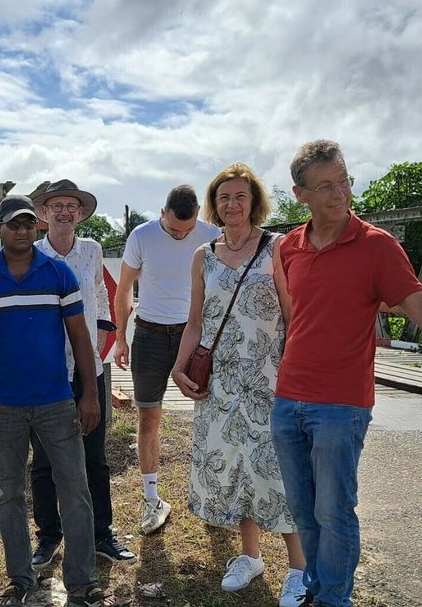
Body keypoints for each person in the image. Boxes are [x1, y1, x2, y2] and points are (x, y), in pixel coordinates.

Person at [272, 140, 422, 607]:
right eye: (325, 186)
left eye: (343, 181)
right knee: (303, 510)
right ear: (300, 194)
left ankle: (334, 600)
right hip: (287, 399)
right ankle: (318, 590)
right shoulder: (289, 247)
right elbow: (295, 317)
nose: (339, 193)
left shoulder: (376, 245)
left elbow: (419, 301)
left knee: (333, 510)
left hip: (341, 403)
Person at [170, 163, 307, 607]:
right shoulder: (203, 255)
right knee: (233, 467)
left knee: (276, 471)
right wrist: (179, 367)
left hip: (268, 379)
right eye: (224, 196)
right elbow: (196, 321)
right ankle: (250, 557)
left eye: (240, 196)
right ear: (214, 203)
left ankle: (299, 569)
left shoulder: (275, 248)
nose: (232, 204)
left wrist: (296, 373)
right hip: (220, 384)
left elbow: (292, 315)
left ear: (254, 202)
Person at [0, 194, 109, 607]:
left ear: (36, 227)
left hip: (55, 400)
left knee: (75, 489)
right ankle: (21, 581)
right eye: (14, 224)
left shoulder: (58, 273)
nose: (23, 230)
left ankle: (81, 583)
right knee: (9, 493)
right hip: (2, 405)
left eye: (28, 223)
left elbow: (80, 337)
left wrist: (90, 394)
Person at [29, 180, 136, 570]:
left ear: (80, 213)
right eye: (56, 206)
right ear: (44, 213)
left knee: (95, 456)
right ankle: (48, 535)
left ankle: (100, 533)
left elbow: (100, 292)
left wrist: (102, 335)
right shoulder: (31, 254)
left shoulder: (91, 250)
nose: (64, 212)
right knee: (44, 458)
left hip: (88, 369)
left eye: (71, 206)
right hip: (46, 371)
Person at [113, 184, 220, 534]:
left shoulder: (212, 236)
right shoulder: (141, 236)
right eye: (173, 230)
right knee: (149, 416)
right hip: (150, 335)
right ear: (162, 213)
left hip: (195, 335)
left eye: (186, 231)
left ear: (198, 218)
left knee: (211, 414)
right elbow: (123, 289)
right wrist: (121, 338)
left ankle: (214, 498)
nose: (180, 236)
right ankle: (152, 500)